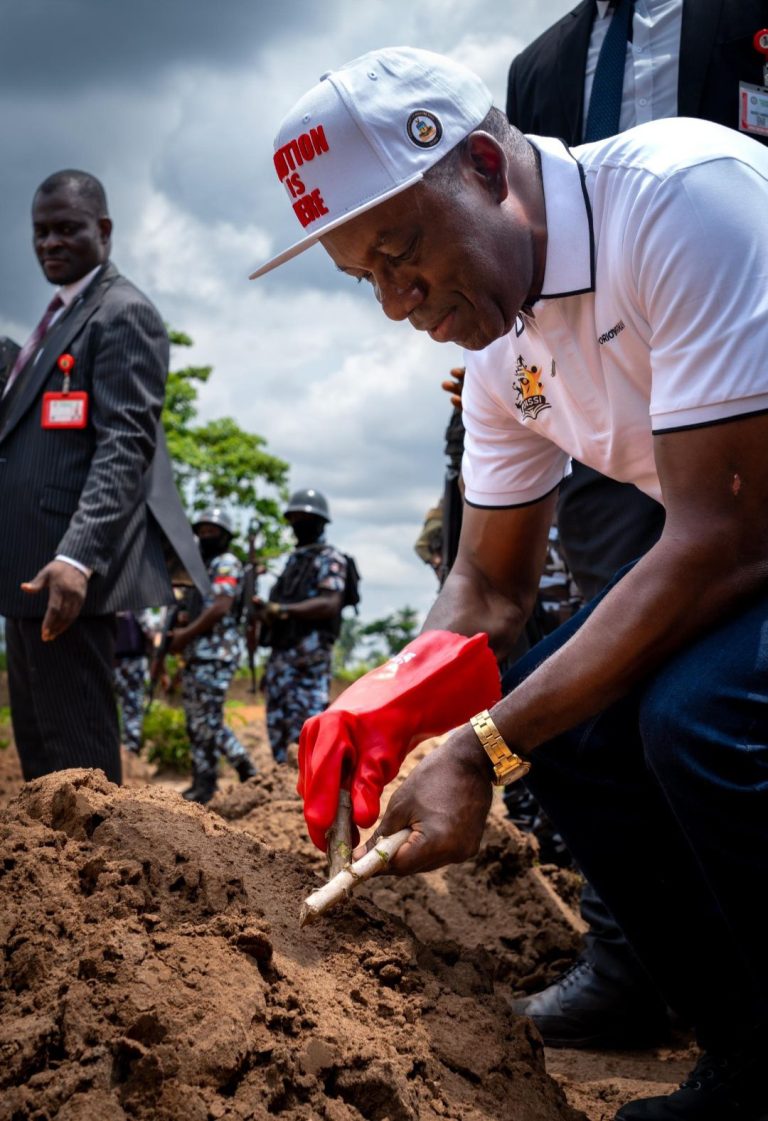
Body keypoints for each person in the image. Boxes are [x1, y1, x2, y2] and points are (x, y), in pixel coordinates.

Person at [251, 47, 768, 1121]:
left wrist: (481, 746)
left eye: (405, 254)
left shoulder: (679, 201)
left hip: (748, 530)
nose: (401, 304)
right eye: (369, 279)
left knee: (697, 710)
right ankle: (746, 1049)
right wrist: (390, 704)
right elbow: (487, 584)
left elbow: (723, 534)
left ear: (484, 163)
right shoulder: (504, 353)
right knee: (569, 721)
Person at [0, 169, 208, 787]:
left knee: (78, 759)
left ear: (105, 231)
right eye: (41, 232)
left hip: (64, 575)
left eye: (67, 229)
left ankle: (105, 880)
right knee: (39, 754)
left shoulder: (123, 314)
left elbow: (125, 446)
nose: (50, 244)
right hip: (25, 570)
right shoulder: (57, 321)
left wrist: (77, 557)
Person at [167, 507, 257, 804]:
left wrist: (186, 634)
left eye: (212, 531)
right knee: (196, 722)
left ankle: (245, 768)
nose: (206, 536)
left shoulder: (226, 563)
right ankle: (202, 783)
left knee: (209, 721)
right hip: (197, 654)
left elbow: (220, 606)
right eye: (202, 531)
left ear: (225, 535)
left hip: (217, 654)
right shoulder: (200, 568)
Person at [253, 489, 347, 764]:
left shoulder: (331, 559)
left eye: (304, 518)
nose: (298, 524)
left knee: (307, 731)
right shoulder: (293, 561)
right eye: (294, 518)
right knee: (277, 728)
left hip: (309, 663)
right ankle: (282, 790)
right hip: (281, 662)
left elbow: (329, 603)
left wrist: (283, 611)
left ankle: (310, 792)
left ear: (319, 522)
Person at [113, 610, 152, 755]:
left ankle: (123, 753)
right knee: (132, 707)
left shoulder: (106, 599)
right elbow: (149, 630)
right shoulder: (136, 598)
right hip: (132, 663)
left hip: (111, 662)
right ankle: (130, 752)